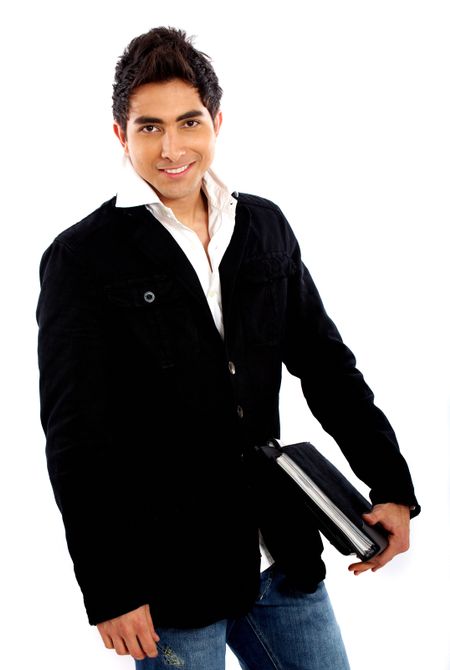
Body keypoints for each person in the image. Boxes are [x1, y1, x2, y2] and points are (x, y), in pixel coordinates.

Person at [37, 26, 420, 669]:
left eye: (189, 122)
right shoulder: (82, 258)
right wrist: (110, 588)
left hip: (281, 556)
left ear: (216, 121)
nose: (172, 148)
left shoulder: (264, 226)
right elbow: (77, 439)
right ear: (120, 135)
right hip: (168, 576)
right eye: (150, 127)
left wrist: (391, 484)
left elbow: (328, 368)